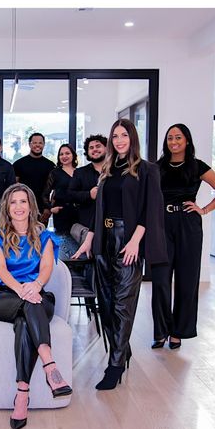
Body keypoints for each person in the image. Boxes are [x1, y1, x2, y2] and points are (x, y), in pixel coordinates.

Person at [72, 119, 166, 390]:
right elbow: (99, 209)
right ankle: (122, 350)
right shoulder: (108, 169)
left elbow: (150, 209)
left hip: (129, 240)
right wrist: (90, 239)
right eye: (115, 136)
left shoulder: (147, 170)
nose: (119, 140)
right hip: (104, 240)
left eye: (124, 135)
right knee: (106, 303)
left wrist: (136, 241)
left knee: (123, 305)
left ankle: (114, 367)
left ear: (132, 138)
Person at [0, 183, 72, 429]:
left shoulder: (45, 236)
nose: (18, 207)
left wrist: (35, 285)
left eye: (23, 201)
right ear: (7, 207)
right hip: (5, 296)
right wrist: (22, 289)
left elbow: (46, 268)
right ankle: (50, 364)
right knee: (28, 305)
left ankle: (22, 394)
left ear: (31, 206)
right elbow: (1, 270)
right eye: (13, 202)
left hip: (37, 295)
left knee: (25, 321)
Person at [150, 123, 215, 350]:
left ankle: (178, 332)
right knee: (160, 280)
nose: (173, 142)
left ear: (187, 140)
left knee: (187, 280)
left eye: (178, 137)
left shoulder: (197, 166)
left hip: (188, 225)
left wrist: (203, 210)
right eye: (170, 138)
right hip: (162, 225)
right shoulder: (157, 167)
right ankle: (161, 331)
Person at [64, 134, 108, 236]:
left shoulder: (116, 171)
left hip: (111, 225)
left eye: (98, 146)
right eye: (91, 148)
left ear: (106, 148)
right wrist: (89, 195)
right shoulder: (80, 172)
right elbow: (69, 195)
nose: (95, 149)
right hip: (87, 226)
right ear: (87, 152)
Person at [41, 143, 79, 233]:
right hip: (61, 212)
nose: (64, 156)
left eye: (67, 153)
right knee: (62, 239)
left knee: (79, 237)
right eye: (61, 154)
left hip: (78, 212)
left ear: (73, 155)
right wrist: (51, 208)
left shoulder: (80, 172)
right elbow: (45, 194)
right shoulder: (55, 173)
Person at [12, 132, 54, 211]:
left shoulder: (50, 165)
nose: (37, 145)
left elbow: (55, 190)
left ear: (44, 144)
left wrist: (49, 209)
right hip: (23, 207)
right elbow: (13, 188)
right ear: (29, 144)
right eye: (34, 143)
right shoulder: (18, 164)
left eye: (40, 143)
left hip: (43, 209)